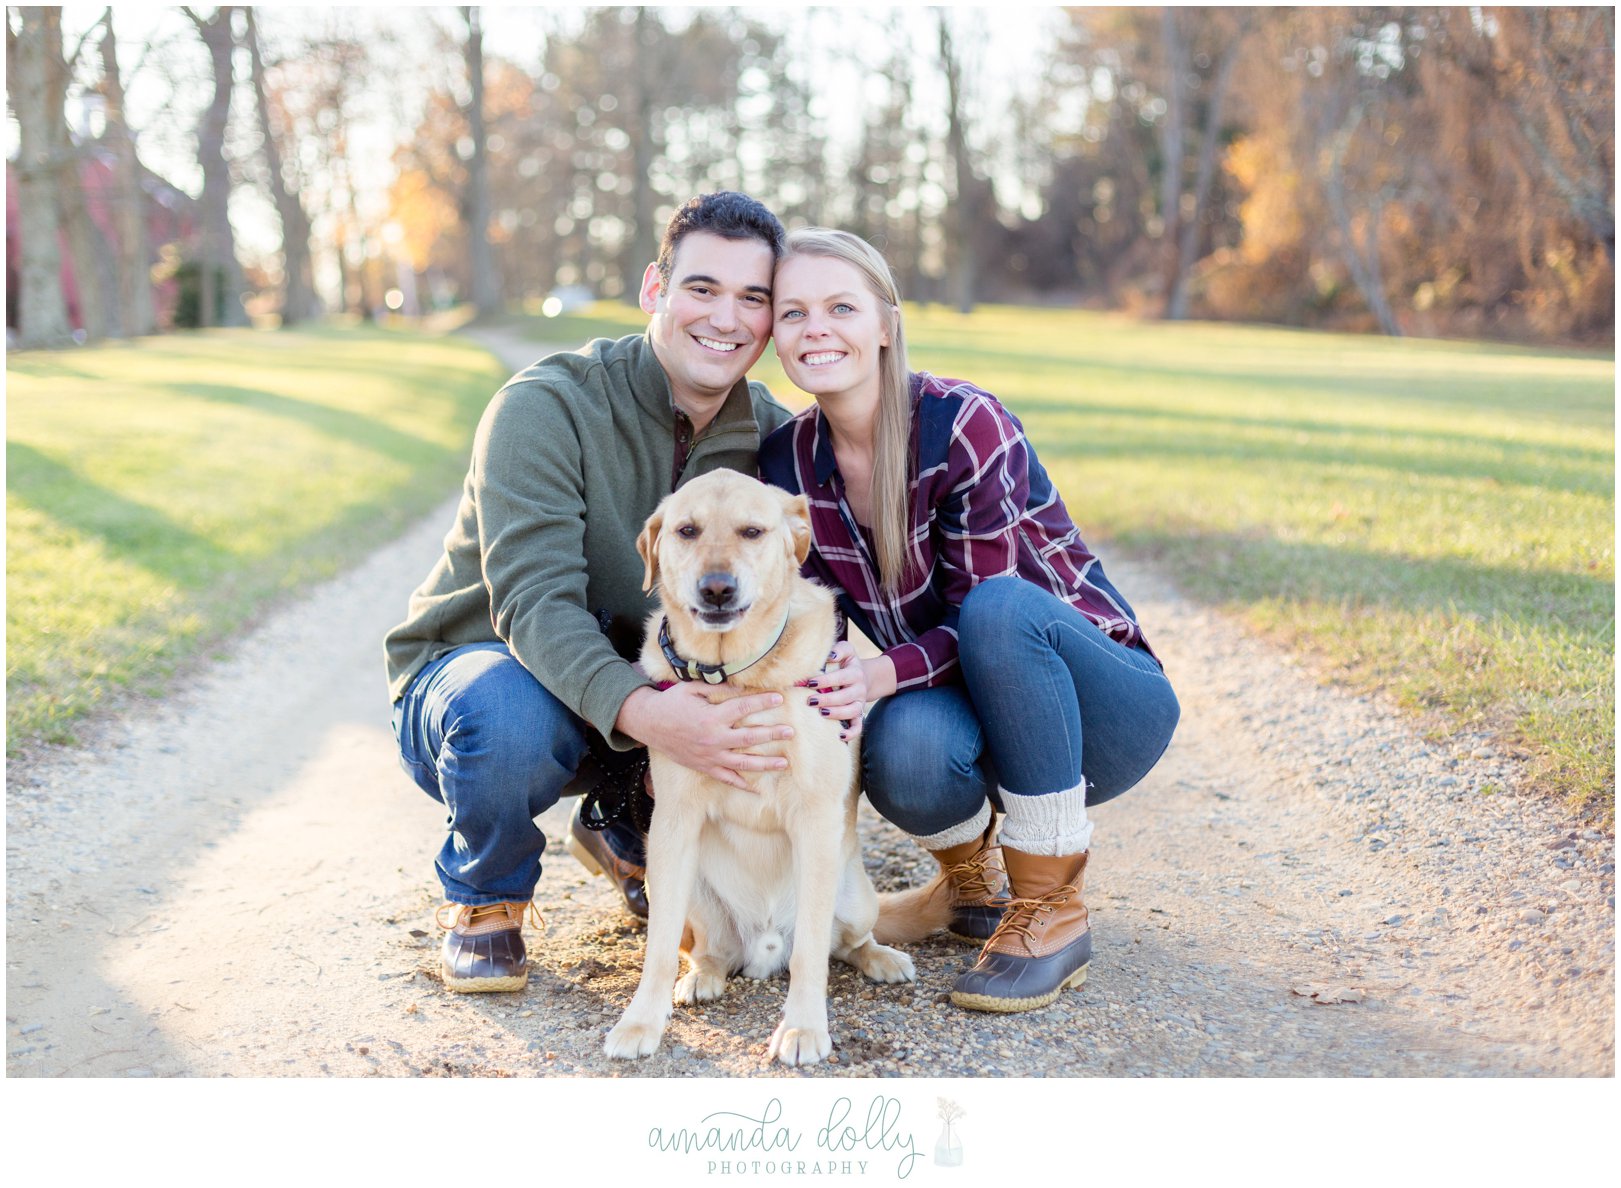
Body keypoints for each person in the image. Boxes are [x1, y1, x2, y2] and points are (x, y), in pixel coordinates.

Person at [385, 193, 864, 994]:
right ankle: (487, 898)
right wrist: (654, 717)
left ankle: (623, 818)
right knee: (503, 711)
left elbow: (819, 571)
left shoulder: (774, 434)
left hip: (660, 678)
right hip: (487, 676)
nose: (727, 318)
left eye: (753, 298)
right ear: (655, 290)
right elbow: (532, 604)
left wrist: (856, 671)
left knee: (761, 705)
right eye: (702, 288)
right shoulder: (545, 406)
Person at [758, 228, 1181, 1013]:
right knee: (905, 751)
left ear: (884, 323)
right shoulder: (785, 462)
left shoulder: (962, 423)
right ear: (773, 335)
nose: (816, 327)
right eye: (794, 312)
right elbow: (815, 629)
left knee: (995, 608)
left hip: (1100, 709)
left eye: (840, 306)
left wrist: (881, 672)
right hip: (967, 699)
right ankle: (967, 881)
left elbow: (987, 620)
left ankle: (1051, 907)